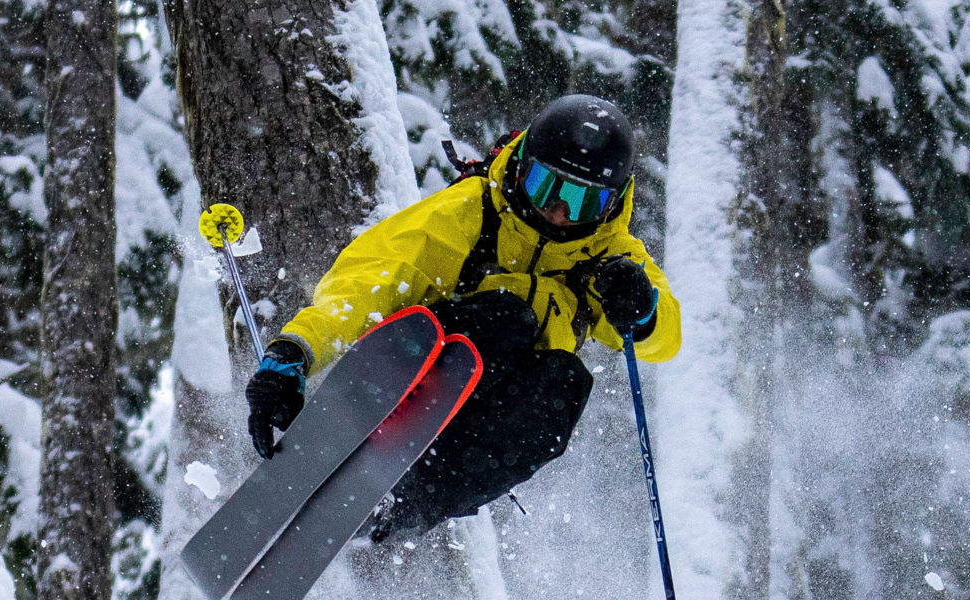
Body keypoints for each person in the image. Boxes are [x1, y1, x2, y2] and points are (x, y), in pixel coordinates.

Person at [244, 94, 682, 542]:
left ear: (612, 204)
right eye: (545, 186)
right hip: (425, 370)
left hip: (478, 429)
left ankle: (407, 501)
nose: (559, 212)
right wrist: (295, 351)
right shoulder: (471, 212)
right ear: (522, 166)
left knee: (566, 381)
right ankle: (366, 430)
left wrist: (642, 309)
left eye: (582, 201)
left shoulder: (612, 258)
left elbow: (665, 339)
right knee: (510, 316)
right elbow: (368, 281)